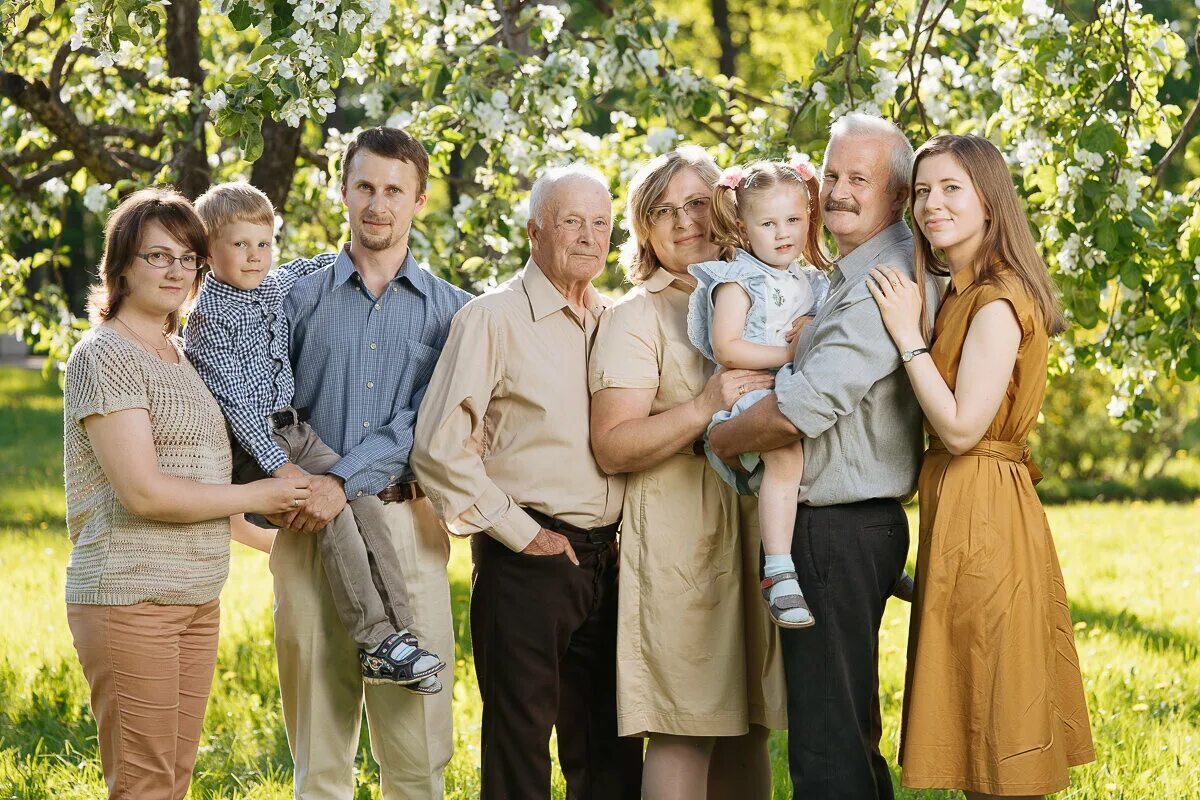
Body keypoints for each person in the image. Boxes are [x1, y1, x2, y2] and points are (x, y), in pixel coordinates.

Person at [707, 112, 938, 799]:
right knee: (843, 731)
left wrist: (718, 436)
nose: (837, 190)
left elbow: (803, 409)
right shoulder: (847, 271)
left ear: (896, 193)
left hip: (838, 530)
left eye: (857, 179)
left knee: (827, 748)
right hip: (838, 525)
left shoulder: (882, 281)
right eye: (831, 174)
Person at [62, 188, 310, 799]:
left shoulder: (182, 355)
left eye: (187, 258)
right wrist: (263, 490)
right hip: (131, 597)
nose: (176, 270)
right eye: (157, 256)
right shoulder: (105, 356)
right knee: (144, 785)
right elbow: (146, 494)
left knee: (173, 780)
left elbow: (201, 492)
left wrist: (276, 543)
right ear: (120, 266)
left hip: (197, 597)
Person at [867, 133, 1095, 799]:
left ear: (990, 203)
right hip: (967, 506)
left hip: (985, 510)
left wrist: (907, 337)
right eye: (922, 191)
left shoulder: (995, 299)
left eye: (951, 189)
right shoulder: (963, 290)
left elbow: (964, 427)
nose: (931, 204)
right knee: (977, 717)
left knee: (999, 715)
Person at [412, 163, 643, 800]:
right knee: (519, 751)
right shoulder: (492, 318)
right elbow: (437, 446)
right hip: (528, 559)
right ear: (536, 229)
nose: (590, 238)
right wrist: (522, 533)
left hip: (608, 559)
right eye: (573, 222)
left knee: (611, 748)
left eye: (601, 224)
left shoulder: (614, 320)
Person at [270, 127, 471, 798]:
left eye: (394, 190)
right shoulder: (294, 298)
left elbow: (426, 424)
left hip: (406, 532)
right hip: (309, 534)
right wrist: (307, 492)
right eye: (365, 187)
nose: (377, 205)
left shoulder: (456, 315)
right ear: (344, 191)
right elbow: (270, 408)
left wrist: (340, 480)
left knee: (417, 757)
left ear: (419, 199)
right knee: (320, 758)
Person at [184, 181, 446, 690]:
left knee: (358, 497)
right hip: (258, 442)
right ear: (208, 252)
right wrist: (279, 464)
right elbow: (237, 407)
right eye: (239, 245)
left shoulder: (273, 286)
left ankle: (402, 635)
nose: (254, 257)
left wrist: (353, 256)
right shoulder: (209, 320)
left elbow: (316, 266)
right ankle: (374, 637)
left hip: (293, 427)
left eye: (264, 244)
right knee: (337, 521)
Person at [588, 146, 786, 800]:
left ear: (725, 206)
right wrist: (704, 406)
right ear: (645, 231)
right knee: (684, 726)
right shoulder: (635, 316)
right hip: (679, 544)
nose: (683, 222)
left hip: (756, 533)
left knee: (748, 726)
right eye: (662, 211)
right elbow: (613, 445)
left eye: (696, 203)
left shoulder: (757, 291)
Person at [686, 158, 830, 628]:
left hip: (793, 384)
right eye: (768, 223)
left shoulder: (809, 279)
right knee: (786, 451)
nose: (783, 233)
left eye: (793, 220)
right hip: (754, 391)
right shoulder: (738, 280)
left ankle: (854, 557)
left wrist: (811, 328)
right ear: (744, 229)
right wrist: (792, 352)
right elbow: (728, 347)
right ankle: (778, 571)